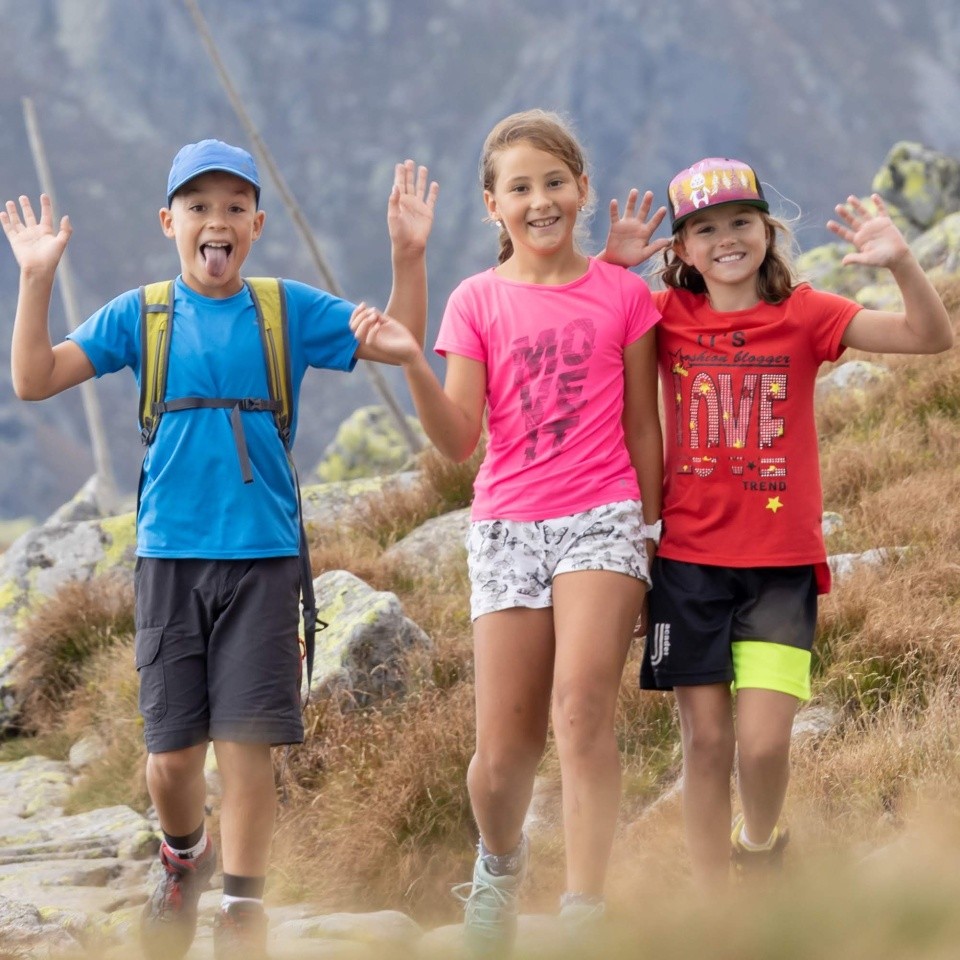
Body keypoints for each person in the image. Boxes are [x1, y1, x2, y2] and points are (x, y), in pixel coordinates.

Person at [2, 139, 437, 960]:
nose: (217, 221)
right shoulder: (142, 315)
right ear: (168, 222)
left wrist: (407, 257)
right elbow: (33, 378)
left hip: (265, 560)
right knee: (170, 761)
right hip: (169, 560)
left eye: (235, 207)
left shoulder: (284, 310)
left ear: (257, 226)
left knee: (247, 748)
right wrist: (35, 280)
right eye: (198, 206)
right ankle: (184, 857)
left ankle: (243, 911)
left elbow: (401, 340)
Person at [350, 109, 665, 955]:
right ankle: (498, 865)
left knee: (582, 709)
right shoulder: (475, 301)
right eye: (519, 188)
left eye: (554, 181)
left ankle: (585, 909)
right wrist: (412, 361)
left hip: (603, 517)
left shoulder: (625, 295)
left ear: (583, 188)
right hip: (508, 528)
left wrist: (651, 535)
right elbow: (458, 442)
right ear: (493, 205)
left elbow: (644, 427)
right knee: (503, 755)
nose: (540, 200)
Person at [601, 156, 953, 890]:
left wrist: (901, 262)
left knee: (761, 747)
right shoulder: (662, 315)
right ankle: (714, 906)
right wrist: (609, 268)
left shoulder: (807, 314)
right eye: (705, 229)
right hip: (687, 566)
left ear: (766, 230)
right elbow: (576, 326)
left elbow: (930, 337)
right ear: (683, 248)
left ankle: (757, 845)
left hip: (780, 567)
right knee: (705, 744)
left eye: (740, 222)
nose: (726, 239)